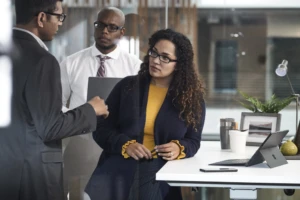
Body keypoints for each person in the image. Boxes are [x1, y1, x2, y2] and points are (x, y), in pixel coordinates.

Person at [0, 0, 109, 200]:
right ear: (41, 18)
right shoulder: (43, 60)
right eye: (59, 16)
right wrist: (91, 110)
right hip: (33, 176)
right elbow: (50, 127)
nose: (60, 23)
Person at [85, 29, 206, 200]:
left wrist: (180, 148)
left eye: (165, 57)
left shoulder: (191, 98)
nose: (155, 61)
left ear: (178, 64)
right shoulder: (127, 87)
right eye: (153, 53)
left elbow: (193, 140)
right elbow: (101, 128)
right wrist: (125, 145)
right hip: (120, 165)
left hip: (161, 169)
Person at [60, 7, 142, 200]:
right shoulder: (71, 63)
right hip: (79, 141)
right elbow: (57, 104)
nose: (105, 31)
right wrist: (79, 117)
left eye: (112, 27)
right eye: (101, 25)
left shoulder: (135, 67)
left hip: (117, 145)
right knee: (76, 194)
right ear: (94, 26)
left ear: (122, 32)